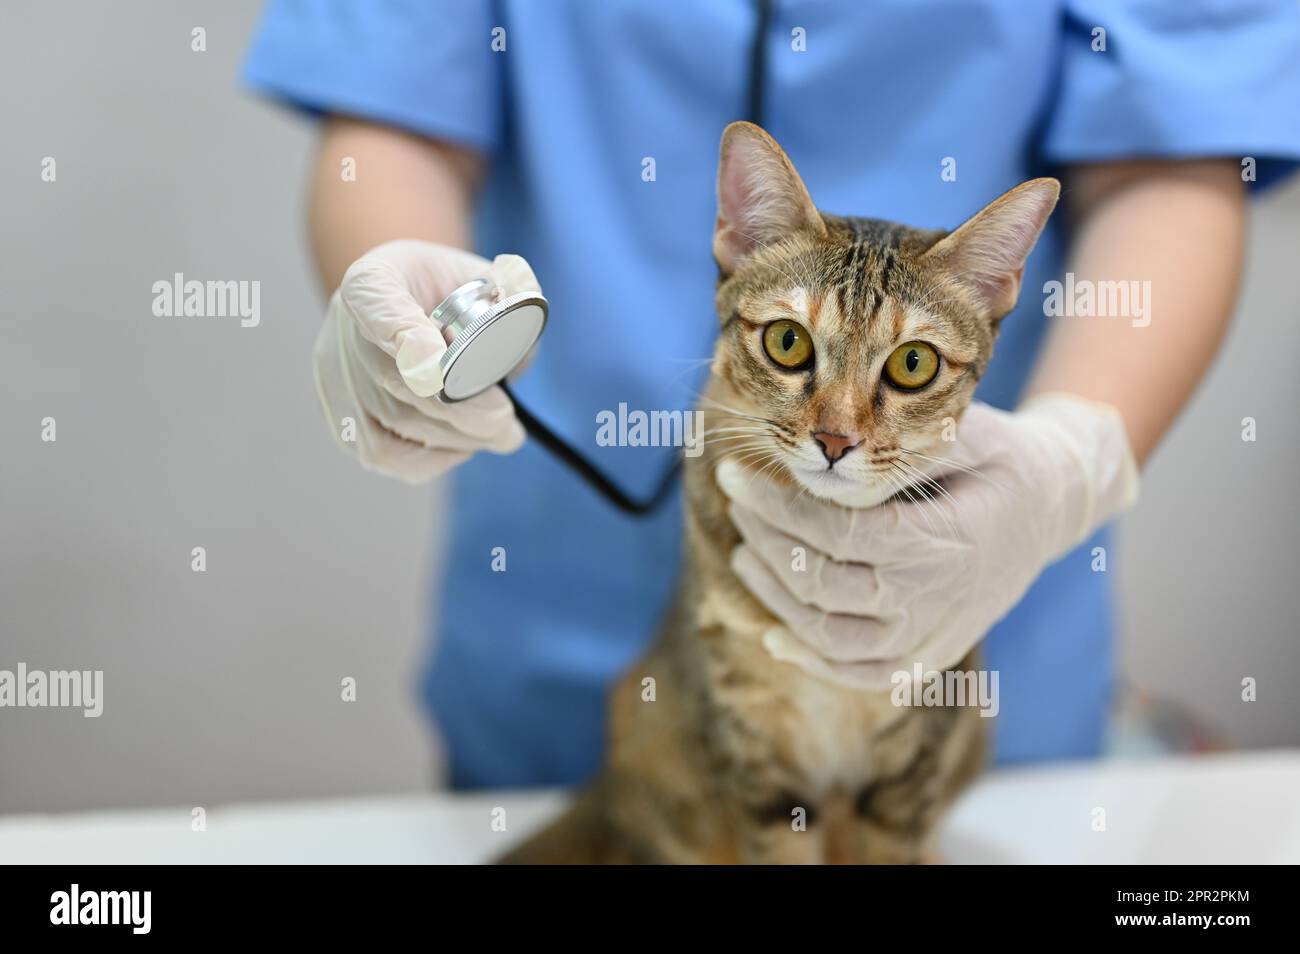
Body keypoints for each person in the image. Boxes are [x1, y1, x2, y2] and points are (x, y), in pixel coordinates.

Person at [244, 0, 1300, 788]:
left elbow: (1171, 148)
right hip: (559, 641)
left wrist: (1075, 458)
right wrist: (404, 300)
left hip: (978, 652)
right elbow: (394, 101)